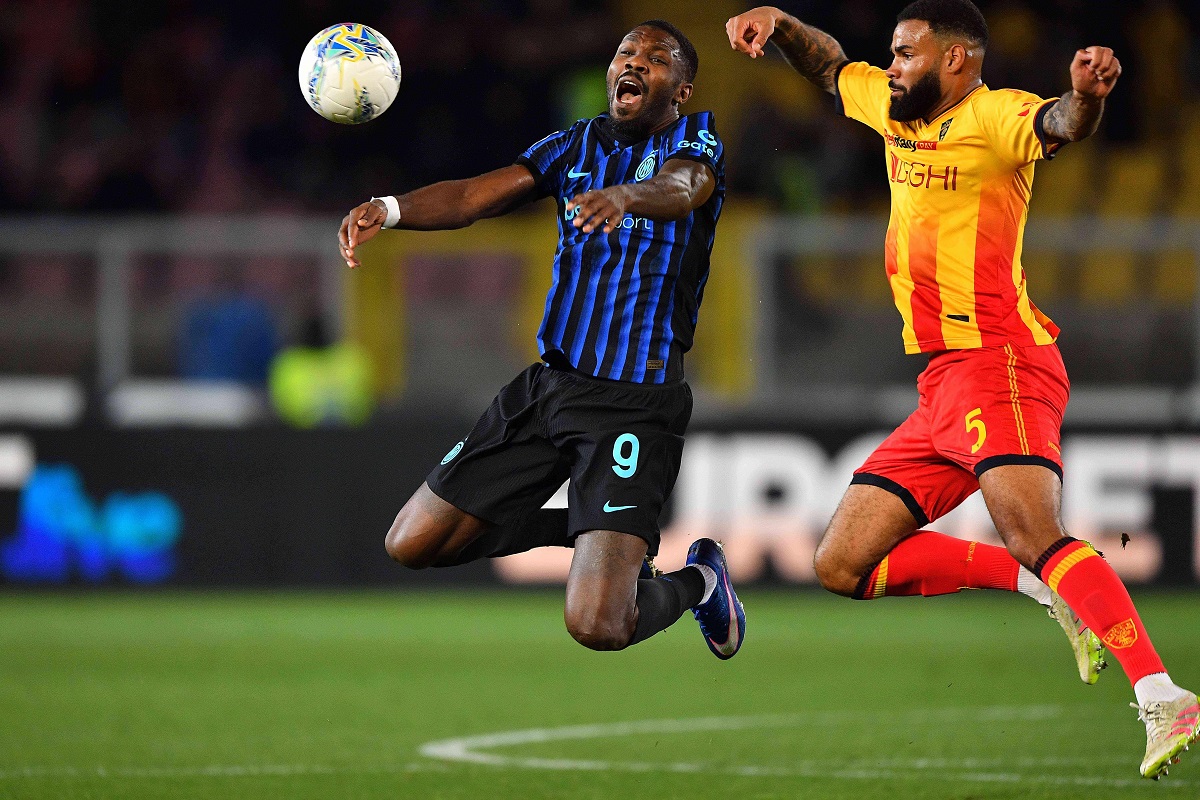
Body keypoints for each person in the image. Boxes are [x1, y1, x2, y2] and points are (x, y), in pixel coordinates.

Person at [727, 0, 1196, 779]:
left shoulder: (995, 117)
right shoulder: (892, 106)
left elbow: (1059, 123)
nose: (892, 66)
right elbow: (829, 65)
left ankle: (1161, 693)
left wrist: (1086, 97)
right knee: (842, 564)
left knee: (1035, 531)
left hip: (1000, 360)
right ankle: (1041, 588)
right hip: (942, 379)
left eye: (906, 53)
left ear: (955, 59)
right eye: (892, 53)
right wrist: (780, 24)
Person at [338, 20, 744, 659]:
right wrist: (390, 209)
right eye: (625, 52)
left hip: (633, 406)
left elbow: (684, 187)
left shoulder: (695, 141)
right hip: (546, 390)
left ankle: (700, 581)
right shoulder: (574, 145)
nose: (635, 62)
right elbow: (474, 196)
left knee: (598, 626)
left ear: (682, 89)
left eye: (657, 58)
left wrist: (626, 197)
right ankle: (599, 533)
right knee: (412, 543)